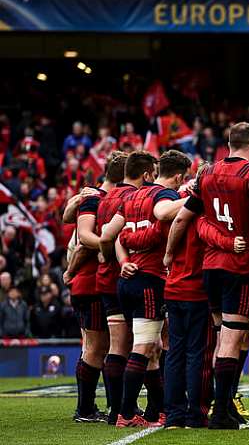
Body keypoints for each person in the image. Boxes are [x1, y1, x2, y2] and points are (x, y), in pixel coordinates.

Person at [165, 122, 249, 430]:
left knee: (225, 337)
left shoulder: (207, 174)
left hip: (210, 268)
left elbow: (181, 218)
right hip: (239, 267)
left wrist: (168, 255)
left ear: (229, 144)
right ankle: (221, 413)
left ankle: (223, 406)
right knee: (232, 339)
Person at [100, 150, 192, 428]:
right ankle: (126, 414)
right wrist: (197, 195)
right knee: (144, 346)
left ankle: (155, 410)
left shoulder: (130, 196)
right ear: (177, 176)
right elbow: (162, 214)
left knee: (153, 348)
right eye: (182, 179)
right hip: (149, 280)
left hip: (127, 281)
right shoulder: (163, 196)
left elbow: (110, 234)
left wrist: (124, 260)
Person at [69, 152, 127, 423]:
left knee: (104, 345)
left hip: (100, 282)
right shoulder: (94, 199)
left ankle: (109, 406)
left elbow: (68, 217)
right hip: (89, 283)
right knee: (95, 346)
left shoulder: (96, 197)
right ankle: (85, 409)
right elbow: (84, 238)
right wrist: (109, 242)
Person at [92, 152, 139, 425]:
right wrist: (116, 257)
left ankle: (114, 409)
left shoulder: (104, 197)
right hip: (126, 275)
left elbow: (104, 237)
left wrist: (104, 254)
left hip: (106, 278)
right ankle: (128, 409)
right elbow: (111, 235)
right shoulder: (131, 197)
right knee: (143, 344)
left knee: (117, 345)